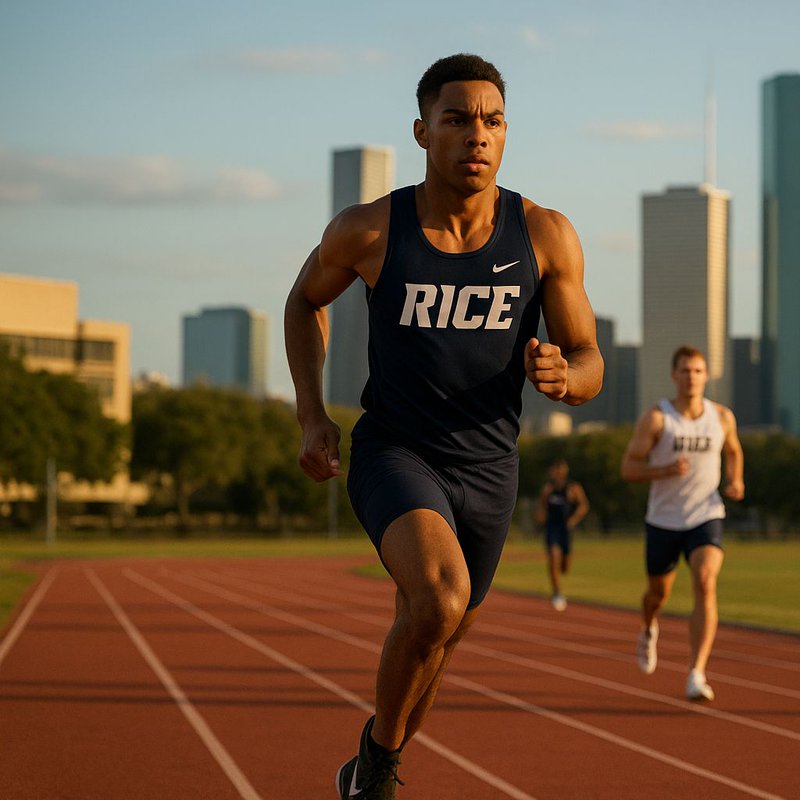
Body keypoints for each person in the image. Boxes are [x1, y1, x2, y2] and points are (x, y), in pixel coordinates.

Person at [284, 53, 602, 799]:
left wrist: (566, 376)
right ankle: (379, 770)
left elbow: (589, 360)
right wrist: (310, 414)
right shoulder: (369, 230)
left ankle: (369, 764)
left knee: (436, 643)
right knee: (439, 599)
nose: (477, 135)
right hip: (396, 449)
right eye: (457, 119)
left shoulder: (546, 234)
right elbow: (304, 302)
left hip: (490, 468)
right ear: (423, 131)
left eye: (492, 121)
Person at [620, 346, 744, 702]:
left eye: (698, 371)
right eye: (686, 371)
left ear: (707, 376)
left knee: (705, 582)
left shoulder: (722, 417)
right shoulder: (658, 419)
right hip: (663, 519)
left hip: (706, 515)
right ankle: (647, 627)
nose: (692, 377)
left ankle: (697, 672)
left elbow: (734, 450)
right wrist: (664, 470)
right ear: (674, 375)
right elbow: (628, 468)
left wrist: (736, 480)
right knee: (658, 594)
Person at [534, 458, 589, 611]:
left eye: (560, 470)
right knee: (553, 557)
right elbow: (542, 508)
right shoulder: (548, 489)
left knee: (565, 566)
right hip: (552, 529)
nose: (557, 473)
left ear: (564, 471)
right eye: (554, 470)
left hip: (566, 529)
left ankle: (559, 575)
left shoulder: (573, 488)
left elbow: (584, 505)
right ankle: (557, 593)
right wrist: (539, 518)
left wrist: (574, 519)